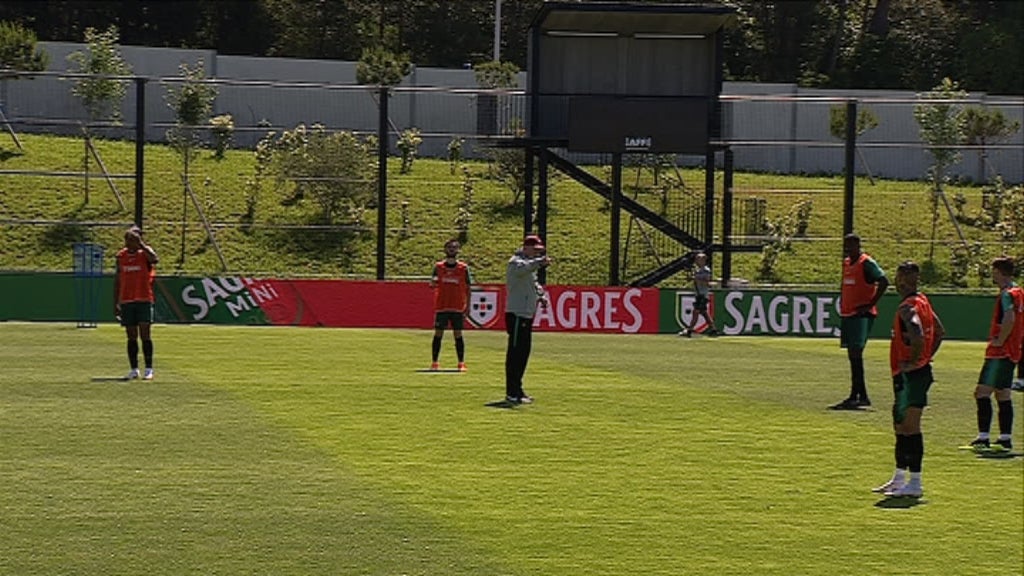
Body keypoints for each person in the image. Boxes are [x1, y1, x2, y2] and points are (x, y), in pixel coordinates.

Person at [872, 261, 944, 498]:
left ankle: (915, 482)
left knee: (910, 427)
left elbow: (917, 334)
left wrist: (915, 360)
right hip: (912, 374)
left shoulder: (907, 307)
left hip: (911, 376)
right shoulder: (922, 301)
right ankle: (899, 478)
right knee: (901, 426)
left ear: (902, 279)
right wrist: (926, 357)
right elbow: (940, 331)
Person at [968, 257, 1024, 451]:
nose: (992, 275)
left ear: (999, 272)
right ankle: (1004, 439)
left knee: (982, 392)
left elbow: (1009, 317)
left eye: (994, 271)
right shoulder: (1019, 292)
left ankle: (983, 437)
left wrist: (1000, 339)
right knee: (1003, 394)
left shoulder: (1007, 294)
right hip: (1013, 351)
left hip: (1000, 352)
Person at [831, 233, 889, 410]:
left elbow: (883, 281)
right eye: (846, 245)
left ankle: (855, 396)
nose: (847, 249)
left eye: (850, 245)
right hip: (849, 314)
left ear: (858, 245)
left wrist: (870, 304)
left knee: (856, 354)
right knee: (853, 355)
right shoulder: (847, 263)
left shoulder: (866, 263)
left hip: (861, 315)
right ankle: (861, 395)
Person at [504, 234, 550, 404]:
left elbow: (533, 282)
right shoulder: (515, 262)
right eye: (535, 250)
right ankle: (511, 391)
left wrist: (541, 296)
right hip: (516, 313)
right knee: (515, 354)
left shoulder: (529, 264)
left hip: (526, 313)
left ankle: (518, 389)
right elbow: (522, 269)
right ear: (526, 247)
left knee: (523, 353)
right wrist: (539, 262)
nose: (537, 253)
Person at [114, 225, 158, 380]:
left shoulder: (144, 254)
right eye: (128, 239)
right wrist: (116, 302)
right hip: (127, 300)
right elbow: (118, 280)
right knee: (131, 335)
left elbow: (155, 259)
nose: (129, 242)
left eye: (133, 239)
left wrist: (142, 245)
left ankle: (149, 368)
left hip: (144, 298)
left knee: (145, 333)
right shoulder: (121, 256)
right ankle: (134, 369)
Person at [429, 238, 473, 371]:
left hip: (457, 307)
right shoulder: (438, 267)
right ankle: (434, 363)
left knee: (458, 334)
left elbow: (469, 288)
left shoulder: (463, 268)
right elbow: (433, 283)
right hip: (442, 306)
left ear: (458, 250)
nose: (452, 250)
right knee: (438, 334)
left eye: (454, 247)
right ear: (445, 250)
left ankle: (461, 363)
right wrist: (433, 283)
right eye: (449, 247)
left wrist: (468, 306)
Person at [679, 252, 719, 337]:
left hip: (703, 294)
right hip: (698, 294)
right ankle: (713, 329)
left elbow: (706, 282)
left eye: (699, 259)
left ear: (703, 260)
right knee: (704, 313)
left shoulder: (705, 270)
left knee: (696, 312)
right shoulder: (697, 270)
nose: (697, 261)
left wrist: (696, 279)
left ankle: (689, 330)